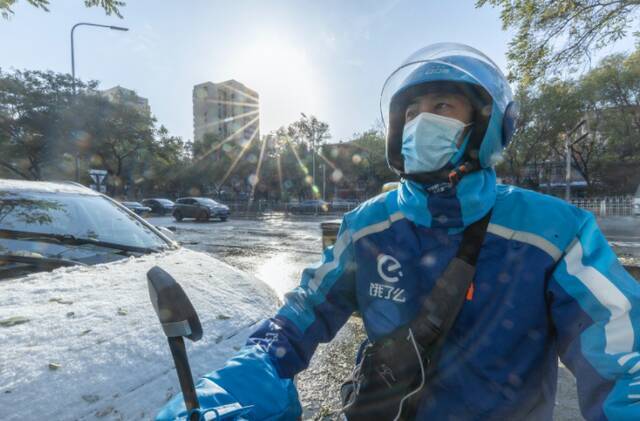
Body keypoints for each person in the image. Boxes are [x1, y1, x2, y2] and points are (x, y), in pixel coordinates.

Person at [158, 43, 640, 420]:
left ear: (486, 124)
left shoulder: (555, 232)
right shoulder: (367, 225)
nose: (421, 121)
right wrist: (231, 389)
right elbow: (300, 315)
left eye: (443, 105)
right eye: (411, 112)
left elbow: (622, 353)